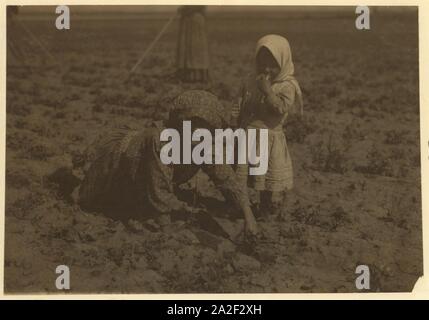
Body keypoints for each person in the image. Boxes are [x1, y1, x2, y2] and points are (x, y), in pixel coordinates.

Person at [77, 90, 258, 236]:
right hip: (119, 178)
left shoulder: (204, 143)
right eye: (191, 125)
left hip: (153, 180)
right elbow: (160, 197)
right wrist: (195, 215)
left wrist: (247, 215)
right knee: (157, 220)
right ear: (180, 123)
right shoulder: (160, 141)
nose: (197, 134)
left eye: (205, 129)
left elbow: (226, 179)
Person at [233, 34, 303, 219]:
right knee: (241, 175)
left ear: (284, 62)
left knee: (265, 179)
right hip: (248, 135)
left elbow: (281, 109)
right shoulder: (251, 80)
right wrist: (234, 121)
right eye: (262, 64)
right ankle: (242, 207)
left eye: (273, 65)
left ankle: (265, 208)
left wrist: (268, 91)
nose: (266, 69)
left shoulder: (287, 86)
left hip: (269, 136)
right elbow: (240, 102)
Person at [176, 6, 210, 83]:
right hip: (187, 20)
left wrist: (186, 10)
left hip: (195, 19)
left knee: (197, 48)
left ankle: (199, 76)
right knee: (186, 49)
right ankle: (187, 75)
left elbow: (201, 6)